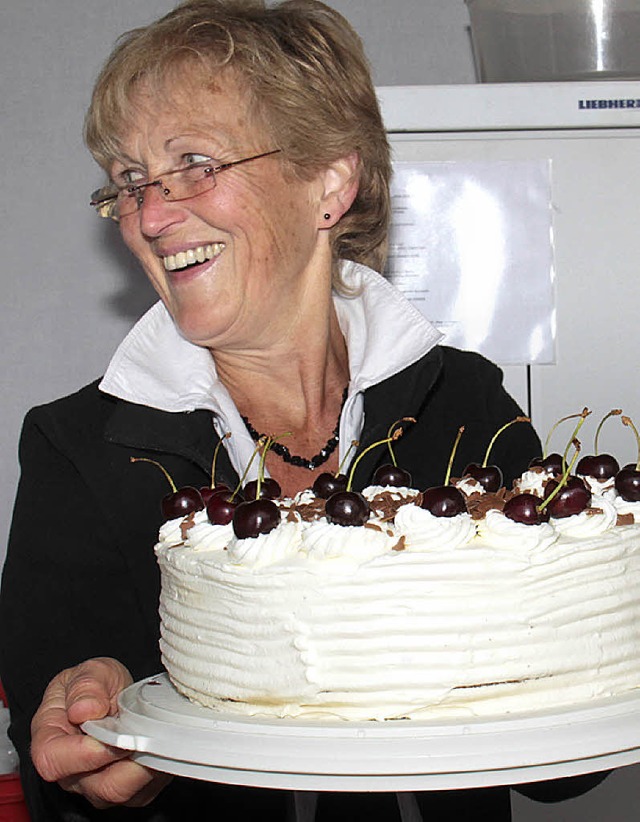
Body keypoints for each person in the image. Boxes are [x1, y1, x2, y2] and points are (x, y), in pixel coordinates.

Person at [0, 1, 607, 820]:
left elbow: (562, 771)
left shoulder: (465, 406)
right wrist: (92, 719)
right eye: (132, 180)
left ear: (329, 185)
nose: (149, 216)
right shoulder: (81, 450)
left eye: (195, 163)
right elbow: (64, 769)